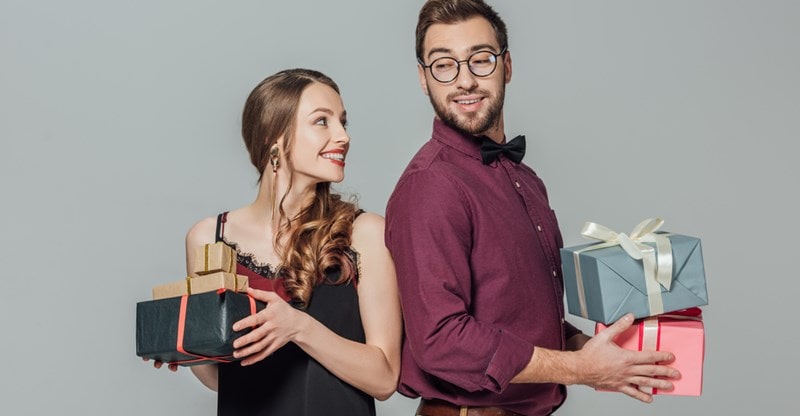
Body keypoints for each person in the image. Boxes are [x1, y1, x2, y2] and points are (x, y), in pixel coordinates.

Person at [384, 1, 680, 415]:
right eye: (444, 65)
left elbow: (518, 319)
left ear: (506, 66)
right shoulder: (430, 185)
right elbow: (441, 340)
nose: (465, 80)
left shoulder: (525, 180)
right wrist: (579, 369)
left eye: (480, 59)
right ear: (423, 78)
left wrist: (595, 352)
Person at [151, 68, 402, 416]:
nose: (343, 136)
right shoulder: (208, 238)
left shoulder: (365, 232)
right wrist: (187, 348)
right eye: (322, 121)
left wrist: (300, 328)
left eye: (343, 122)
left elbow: (385, 378)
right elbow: (223, 379)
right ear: (275, 137)